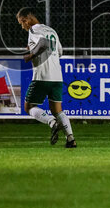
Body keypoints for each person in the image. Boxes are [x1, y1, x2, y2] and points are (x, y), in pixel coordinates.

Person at [17, 8, 75, 148]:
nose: (22, 26)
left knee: (29, 107)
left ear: (28, 19)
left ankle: (51, 122)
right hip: (57, 76)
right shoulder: (51, 30)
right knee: (57, 109)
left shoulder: (34, 30)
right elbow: (59, 51)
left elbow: (44, 44)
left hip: (42, 75)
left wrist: (30, 55)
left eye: (22, 22)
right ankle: (71, 139)